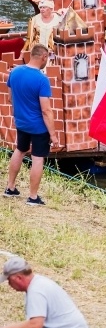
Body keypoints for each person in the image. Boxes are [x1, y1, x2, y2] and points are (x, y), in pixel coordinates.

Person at [4, 44, 59, 206]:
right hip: (38, 127)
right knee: (37, 158)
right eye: (47, 58)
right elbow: (46, 110)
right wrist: (54, 135)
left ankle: (10, 188)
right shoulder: (42, 79)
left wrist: (17, 115)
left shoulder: (14, 72)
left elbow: (10, 98)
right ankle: (33, 197)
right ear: (43, 57)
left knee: (20, 150)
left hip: (21, 123)